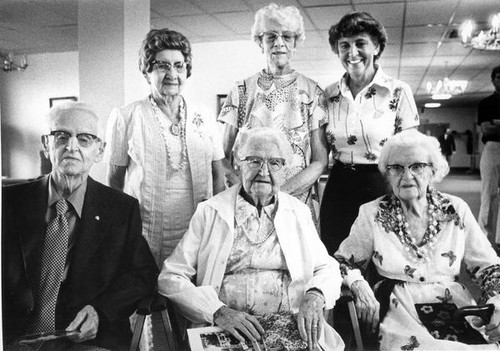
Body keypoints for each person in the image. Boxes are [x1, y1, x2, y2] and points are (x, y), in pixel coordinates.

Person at [158, 128, 344, 351]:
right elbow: (171, 276)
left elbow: (327, 267)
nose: (264, 171)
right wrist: (217, 311)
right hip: (225, 329)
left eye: (274, 163)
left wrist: (316, 295)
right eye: (254, 161)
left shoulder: (298, 212)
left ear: (284, 170)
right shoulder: (209, 212)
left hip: (288, 327)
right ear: (238, 164)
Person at [2, 102, 158, 351]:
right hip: (16, 339)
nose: (71, 147)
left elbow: (142, 274)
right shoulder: (8, 202)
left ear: (99, 151)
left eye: (84, 139)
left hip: (89, 340)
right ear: (46, 145)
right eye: (61, 136)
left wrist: (100, 311)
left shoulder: (120, 209)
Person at [335, 129, 500, 350]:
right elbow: (343, 261)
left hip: (453, 305)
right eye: (397, 168)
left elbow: (488, 266)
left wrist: (498, 301)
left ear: (433, 170)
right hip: (398, 309)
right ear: (387, 173)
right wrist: (358, 284)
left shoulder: (456, 209)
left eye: (417, 166)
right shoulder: (372, 213)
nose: (407, 176)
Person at [105, 28, 225, 265]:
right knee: (147, 292)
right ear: (147, 70)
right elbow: (114, 182)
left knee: (190, 293)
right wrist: (119, 229)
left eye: (179, 66)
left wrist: (219, 222)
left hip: (196, 227)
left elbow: (218, 173)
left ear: (186, 71)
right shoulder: (126, 116)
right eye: (163, 65)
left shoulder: (204, 114)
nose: (172, 73)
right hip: (145, 230)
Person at [217, 3, 328, 224]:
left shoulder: (313, 91)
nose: (279, 43)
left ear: (296, 42)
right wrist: (249, 192)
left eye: (287, 37)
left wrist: (279, 194)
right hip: (249, 200)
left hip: (297, 201)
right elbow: (220, 157)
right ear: (260, 42)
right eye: (270, 37)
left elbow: (320, 161)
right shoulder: (241, 89)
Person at [320, 11, 420, 255]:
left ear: (376, 47)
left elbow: (411, 153)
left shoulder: (398, 91)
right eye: (344, 45)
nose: (352, 53)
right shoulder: (328, 94)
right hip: (339, 184)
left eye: (360, 43)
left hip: (382, 183)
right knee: (336, 253)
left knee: (384, 256)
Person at [477, 65, 500, 247]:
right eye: (498, 77)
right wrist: (493, 125)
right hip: (492, 149)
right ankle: (482, 238)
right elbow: (486, 128)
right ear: (493, 80)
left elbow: (493, 125)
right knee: (488, 195)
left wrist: (497, 123)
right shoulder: (486, 103)